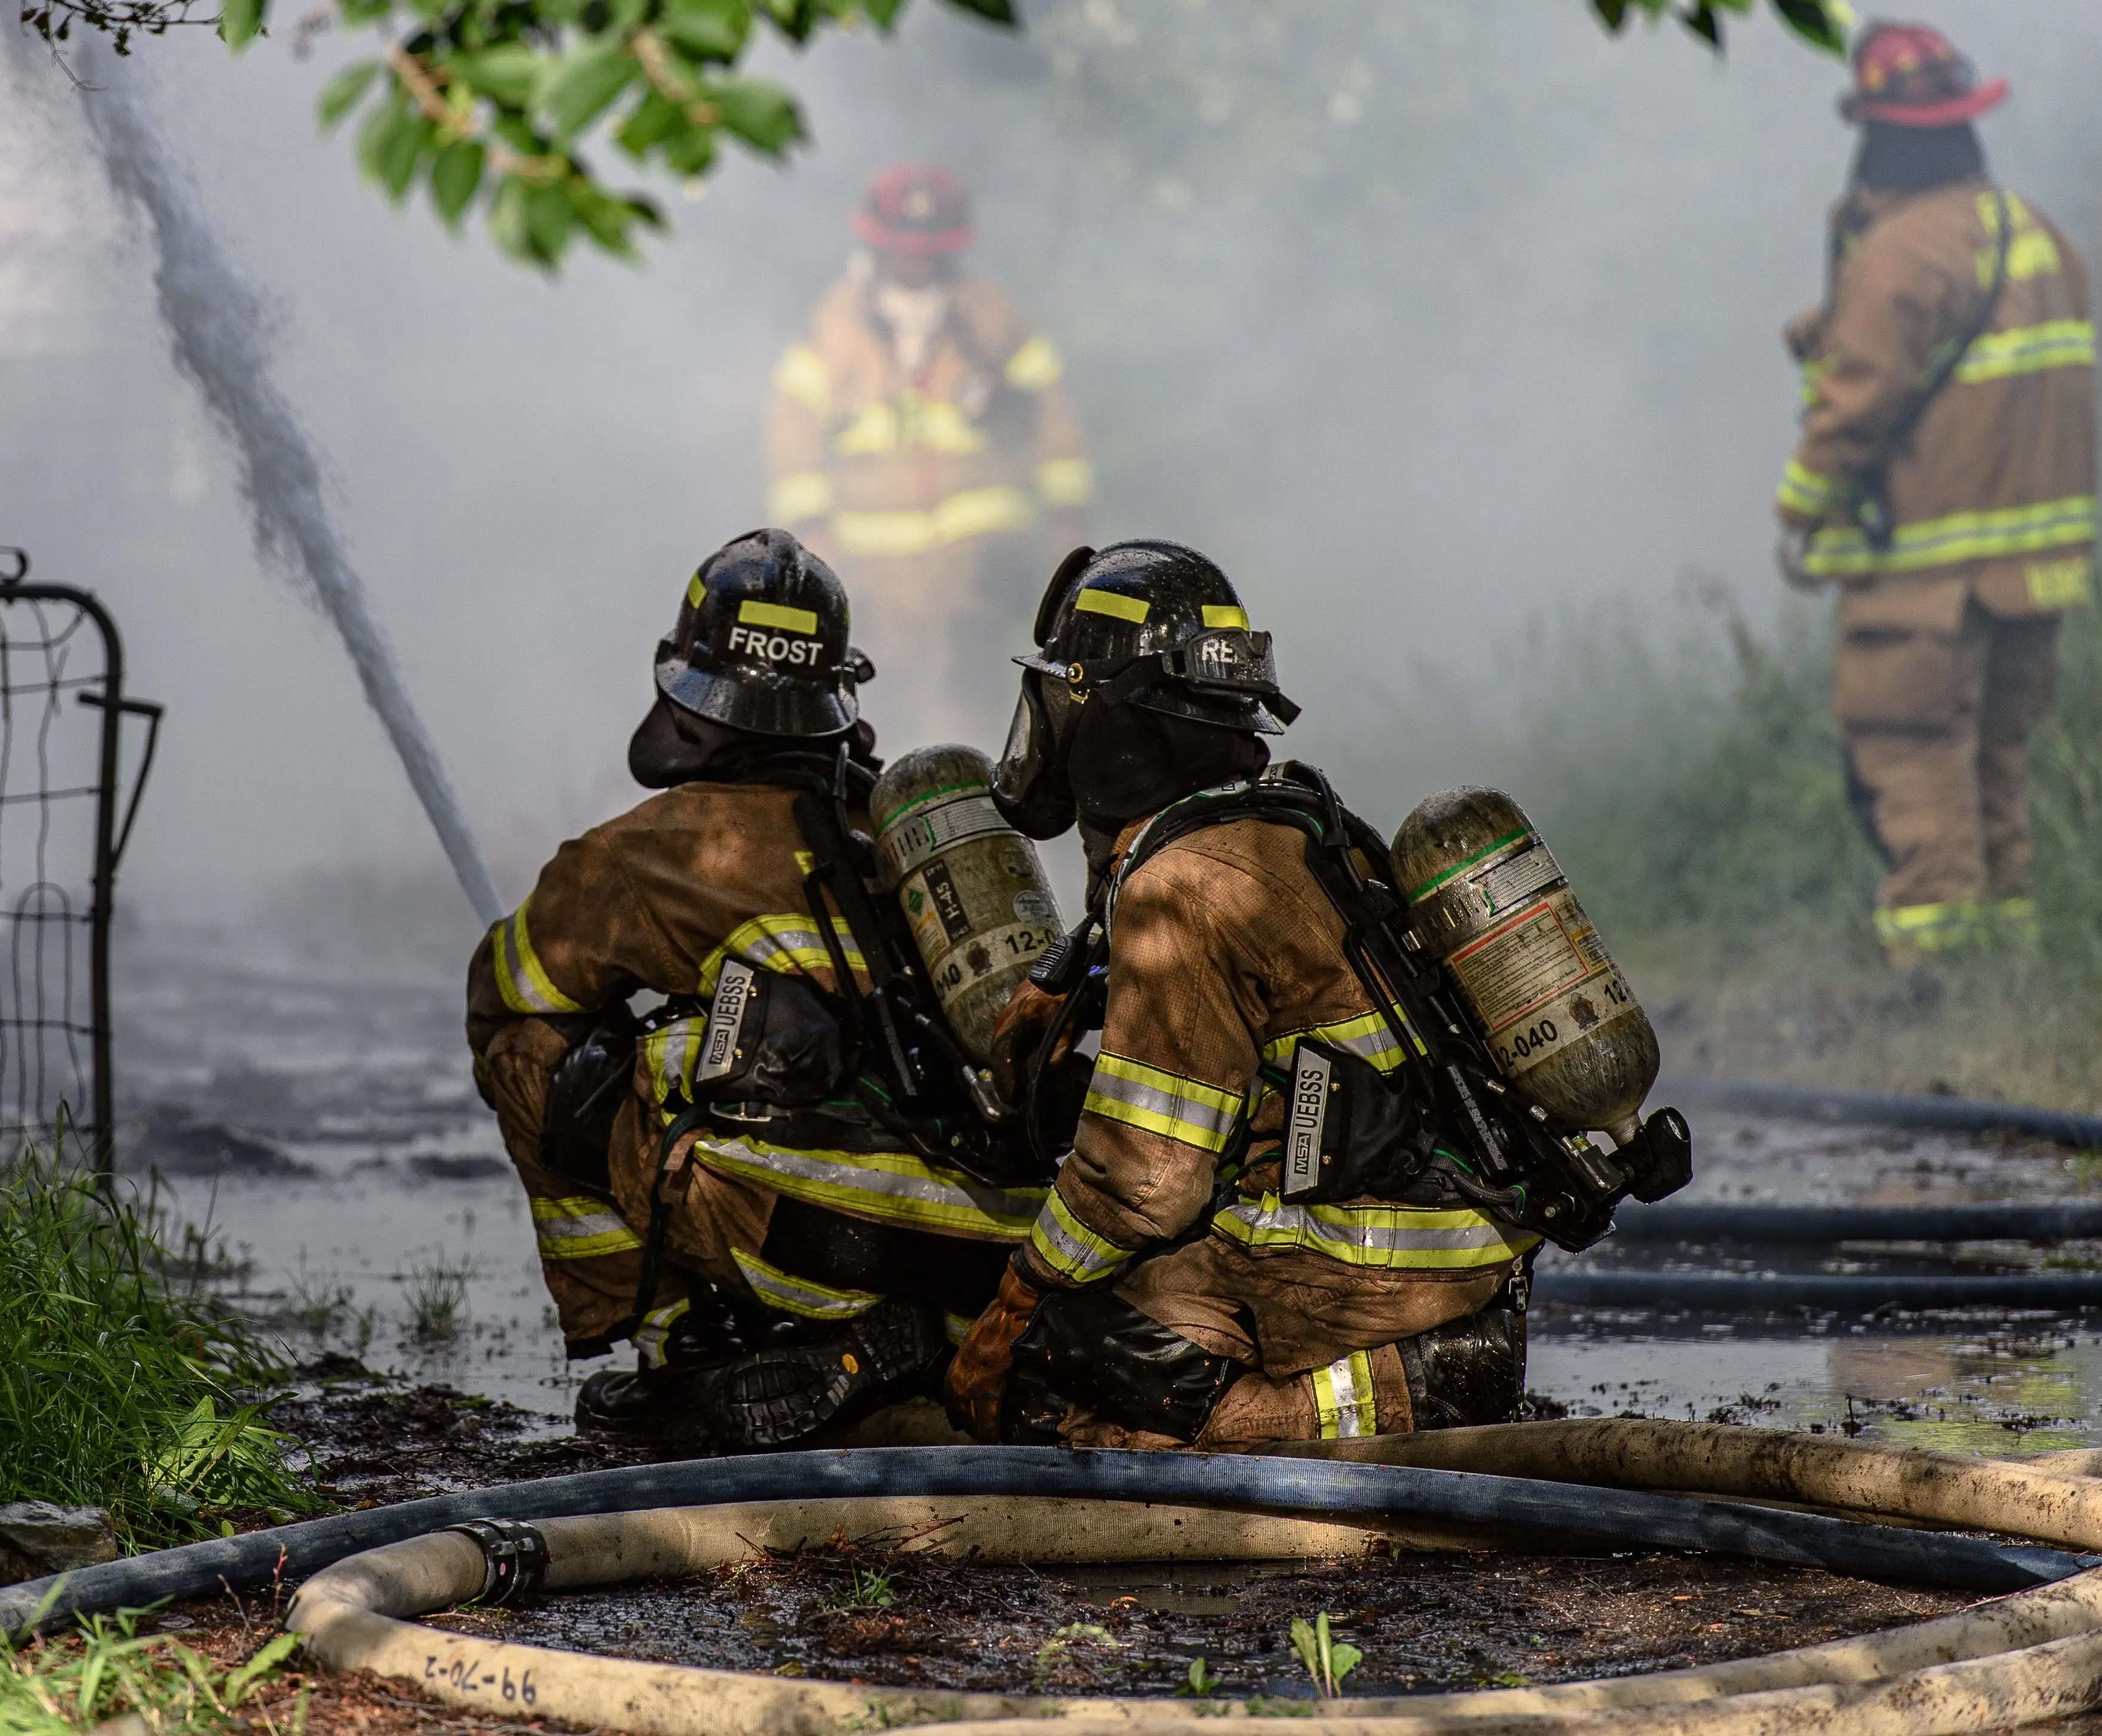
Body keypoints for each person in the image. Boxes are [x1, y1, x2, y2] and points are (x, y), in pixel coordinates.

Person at [943, 541, 1540, 1449]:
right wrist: (1067, 968)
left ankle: (1412, 1390)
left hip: (1357, 1251)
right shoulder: (1289, 821)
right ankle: (1421, 1358)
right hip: (1460, 1228)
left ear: (1098, 717)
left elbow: (1142, 1180)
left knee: (1053, 1385)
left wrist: (1018, 1298)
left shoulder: (1176, 890)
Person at [465, 530, 1043, 1447]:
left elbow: (502, 993)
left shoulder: (643, 852)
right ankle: (897, 1342)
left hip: (827, 1240)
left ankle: (677, 1349)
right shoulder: (901, 829)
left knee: (539, 1056)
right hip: (997, 1256)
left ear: (694, 691)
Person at [1775, 20, 2094, 965]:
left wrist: (1799, 506)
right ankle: (2010, 955)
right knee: (1997, 758)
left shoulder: (1900, 251)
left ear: (1877, 132)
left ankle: (1935, 971)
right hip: (2031, 572)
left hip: (1924, 576)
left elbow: (1857, 396)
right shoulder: (2032, 232)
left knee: (1911, 759)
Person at [765, 163, 1092, 750]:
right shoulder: (836, 322)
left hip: (980, 560)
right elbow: (792, 432)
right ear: (875, 243)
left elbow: (1052, 417)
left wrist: (1066, 520)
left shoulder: (990, 314)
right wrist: (812, 533)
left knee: (977, 703)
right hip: (873, 568)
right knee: (884, 704)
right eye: (901, 249)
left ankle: (981, 813)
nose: (915, 263)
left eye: (928, 249)